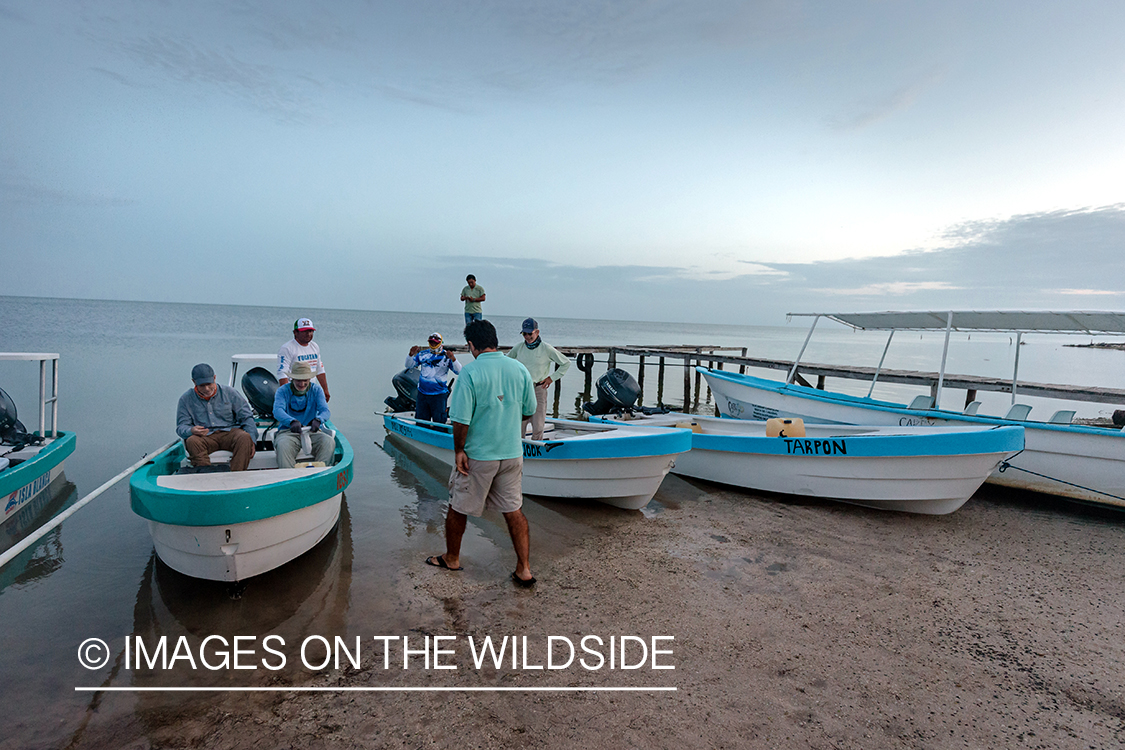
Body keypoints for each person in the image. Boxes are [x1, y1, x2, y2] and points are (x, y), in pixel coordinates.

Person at [426, 319, 538, 586]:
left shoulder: (470, 373)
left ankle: (452, 558)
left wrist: (459, 450)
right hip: (512, 454)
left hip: (479, 456)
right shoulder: (519, 369)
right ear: (495, 341)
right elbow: (529, 409)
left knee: (458, 507)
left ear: (471, 345)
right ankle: (524, 569)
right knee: (514, 511)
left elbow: (460, 419)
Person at [176, 363, 258, 471]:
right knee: (192, 441)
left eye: (209, 384)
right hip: (205, 437)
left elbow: (247, 417)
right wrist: (191, 430)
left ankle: (236, 476)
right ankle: (206, 476)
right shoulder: (185, 399)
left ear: (214, 378)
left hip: (229, 432)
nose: (206, 388)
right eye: (201, 385)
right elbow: (181, 427)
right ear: (194, 382)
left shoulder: (230, 393)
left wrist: (252, 440)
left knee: (244, 437)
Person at [506, 317, 571, 440]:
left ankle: (537, 451)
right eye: (524, 333)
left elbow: (566, 363)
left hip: (539, 389)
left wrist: (551, 378)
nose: (527, 336)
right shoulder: (518, 347)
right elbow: (506, 362)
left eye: (530, 333)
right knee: (519, 424)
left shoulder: (546, 348)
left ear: (537, 332)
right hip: (521, 390)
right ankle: (517, 451)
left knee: (538, 425)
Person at [272, 361, 334, 469]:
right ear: (292, 379)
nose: (302, 384)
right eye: (298, 380)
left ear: (309, 379)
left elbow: (325, 410)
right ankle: (289, 479)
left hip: (311, 431)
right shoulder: (282, 391)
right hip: (288, 432)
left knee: (328, 442)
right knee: (282, 446)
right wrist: (291, 421)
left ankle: (321, 474)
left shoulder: (316, 390)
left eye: (305, 380)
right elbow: (277, 411)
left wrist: (319, 420)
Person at [405, 332, 461, 423]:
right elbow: (408, 365)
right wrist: (410, 354)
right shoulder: (422, 354)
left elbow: (459, 371)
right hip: (423, 394)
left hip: (439, 396)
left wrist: (453, 359)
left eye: (435, 342)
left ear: (440, 343)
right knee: (421, 422)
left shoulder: (446, 356)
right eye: (431, 342)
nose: (433, 344)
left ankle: (439, 435)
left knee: (439, 422)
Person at [277, 317, 330, 402]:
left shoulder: (314, 346)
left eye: (310, 331)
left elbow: (319, 369)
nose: (308, 334)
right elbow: (282, 373)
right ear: (295, 332)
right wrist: (287, 396)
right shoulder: (287, 348)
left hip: (311, 391)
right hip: (295, 391)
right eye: (304, 331)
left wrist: (325, 390)